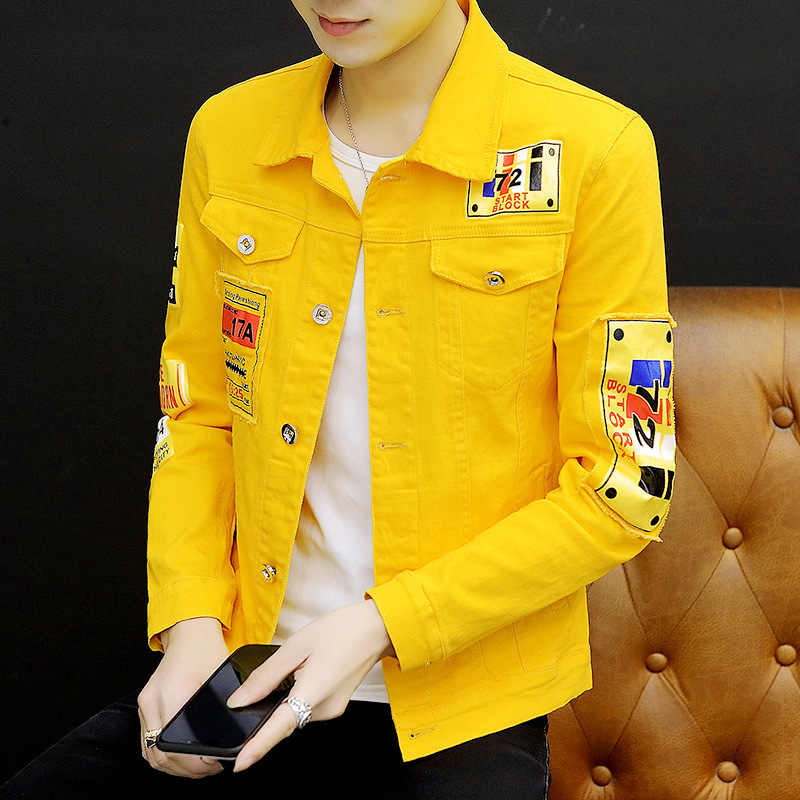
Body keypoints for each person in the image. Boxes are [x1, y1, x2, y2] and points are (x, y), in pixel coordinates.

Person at [2, 0, 675, 797]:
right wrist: (190, 625)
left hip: (463, 704)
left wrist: (383, 623)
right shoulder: (231, 131)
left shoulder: (594, 148)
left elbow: (627, 486)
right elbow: (199, 413)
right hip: (244, 672)